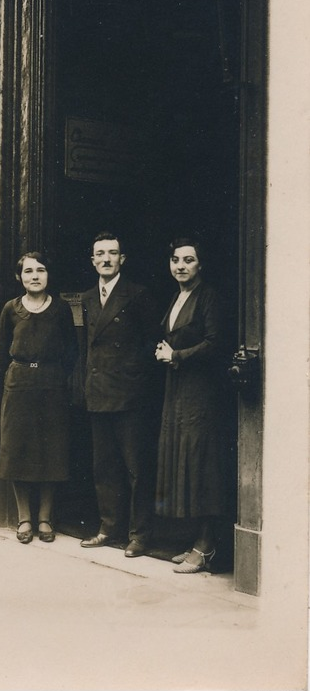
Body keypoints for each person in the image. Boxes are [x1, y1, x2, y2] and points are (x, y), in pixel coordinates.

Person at [80, 232, 161, 557]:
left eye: (112, 253)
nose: (106, 259)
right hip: (98, 392)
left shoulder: (138, 295)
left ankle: (139, 534)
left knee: (136, 469)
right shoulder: (86, 298)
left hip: (129, 396)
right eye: (100, 253)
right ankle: (108, 527)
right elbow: (83, 346)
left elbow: (150, 344)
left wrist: (133, 377)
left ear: (122, 259)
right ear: (93, 260)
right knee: (105, 466)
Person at [0, 251, 78, 545]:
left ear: (48, 275)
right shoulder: (10, 309)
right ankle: (24, 518)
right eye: (28, 271)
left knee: (51, 451)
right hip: (19, 386)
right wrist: (20, 373)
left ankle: (44, 518)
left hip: (51, 384)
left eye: (40, 270)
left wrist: (52, 373)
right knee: (19, 449)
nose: (35, 276)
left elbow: (71, 351)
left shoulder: (61, 309)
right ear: (20, 277)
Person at [155, 237, 226, 574]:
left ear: (201, 264)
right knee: (184, 460)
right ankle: (196, 541)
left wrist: (177, 356)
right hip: (178, 388)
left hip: (200, 391)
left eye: (188, 260)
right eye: (175, 260)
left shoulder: (208, 296)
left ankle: (206, 545)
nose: (180, 265)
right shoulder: (178, 295)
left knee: (201, 463)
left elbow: (215, 343)